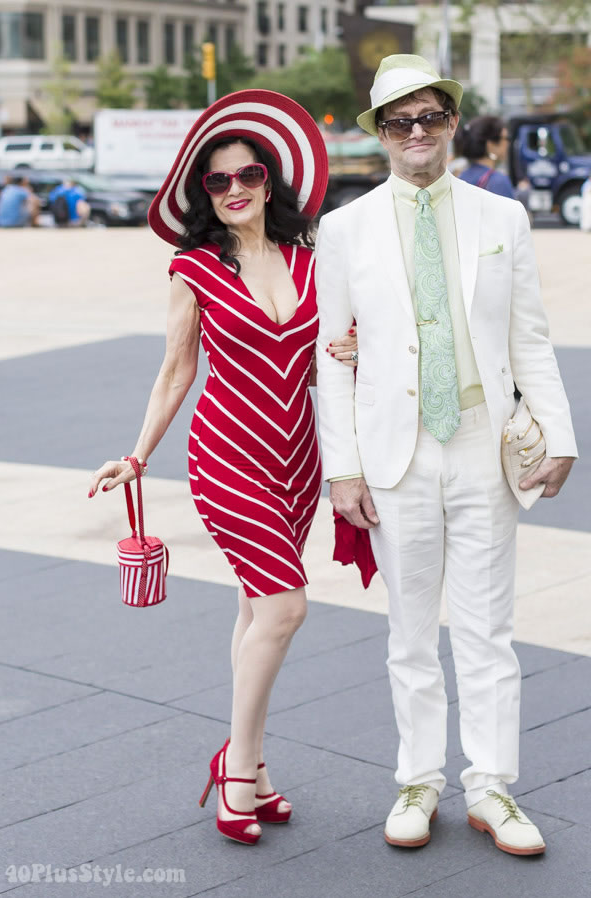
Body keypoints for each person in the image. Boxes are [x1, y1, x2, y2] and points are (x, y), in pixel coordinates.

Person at [316, 54, 577, 857]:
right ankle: (418, 780)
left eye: (431, 117)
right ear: (382, 134)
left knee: (489, 628)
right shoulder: (344, 228)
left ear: (453, 123)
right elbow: (333, 354)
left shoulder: (502, 220)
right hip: (395, 455)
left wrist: (560, 434)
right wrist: (344, 467)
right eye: (401, 121)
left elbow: (528, 335)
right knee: (409, 633)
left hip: (480, 443)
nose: (418, 132)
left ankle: (493, 786)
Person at [89, 90, 357, 847]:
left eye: (248, 175)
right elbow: (176, 369)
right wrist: (138, 455)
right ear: (204, 195)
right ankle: (238, 769)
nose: (235, 189)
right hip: (227, 456)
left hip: (298, 459)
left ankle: (256, 767)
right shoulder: (194, 268)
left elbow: (331, 358)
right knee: (284, 609)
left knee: (254, 613)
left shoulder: (313, 261)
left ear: (270, 182)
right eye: (218, 181)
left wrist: (354, 352)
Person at [457, 115, 515, 198]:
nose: (508, 143)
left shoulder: (461, 177)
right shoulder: (498, 181)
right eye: (506, 138)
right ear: (491, 145)